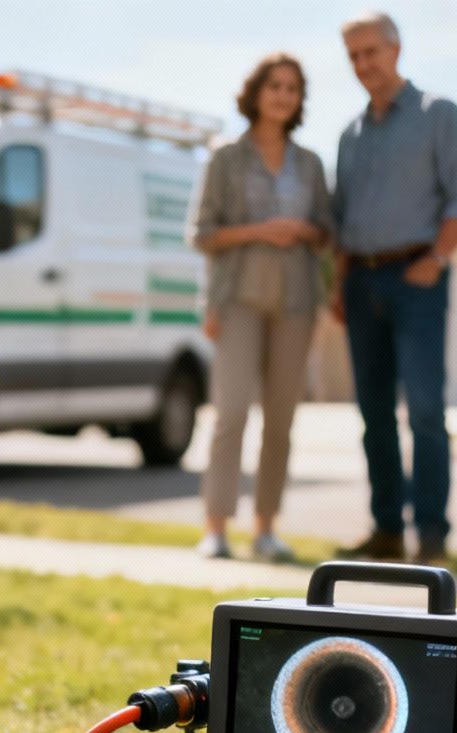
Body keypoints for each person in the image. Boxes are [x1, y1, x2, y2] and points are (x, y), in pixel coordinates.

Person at [330, 11, 457, 564]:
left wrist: (437, 258)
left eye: (370, 51)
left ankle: (432, 535)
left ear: (396, 49)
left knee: (424, 410)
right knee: (373, 414)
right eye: (353, 56)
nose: (362, 64)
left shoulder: (438, 114)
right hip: (360, 280)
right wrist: (340, 285)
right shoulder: (350, 134)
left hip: (417, 278)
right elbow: (342, 218)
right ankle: (387, 531)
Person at [187, 53, 333, 563]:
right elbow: (202, 234)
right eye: (274, 86)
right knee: (230, 414)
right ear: (256, 92)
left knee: (281, 420)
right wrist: (258, 231)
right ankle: (216, 529)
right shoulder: (225, 157)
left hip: (296, 303)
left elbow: (326, 233)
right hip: (238, 301)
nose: (282, 95)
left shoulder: (310, 163)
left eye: (292, 88)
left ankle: (266, 530)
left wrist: (305, 231)